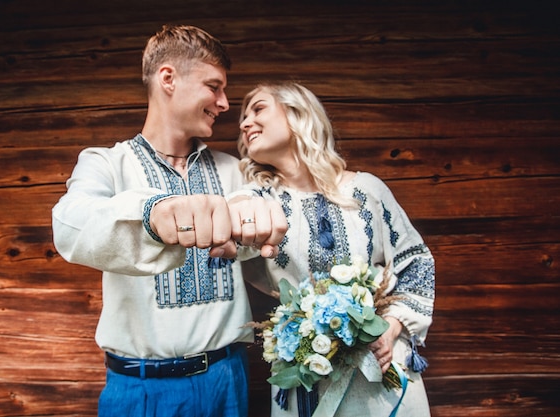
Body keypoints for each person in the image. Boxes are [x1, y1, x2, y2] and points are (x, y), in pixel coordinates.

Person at [52, 25, 287, 417]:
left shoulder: (234, 172)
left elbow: (257, 220)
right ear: (168, 79)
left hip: (227, 379)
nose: (225, 103)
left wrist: (253, 217)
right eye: (214, 86)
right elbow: (71, 224)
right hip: (141, 389)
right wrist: (152, 214)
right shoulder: (106, 164)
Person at [237, 82, 435, 417]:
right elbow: (236, 233)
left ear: (297, 113)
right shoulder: (258, 199)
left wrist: (392, 327)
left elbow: (416, 262)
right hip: (306, 371)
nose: (244, 124)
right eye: (243, 117)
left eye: (258, 109)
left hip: (379, 366)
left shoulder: (366, 190)